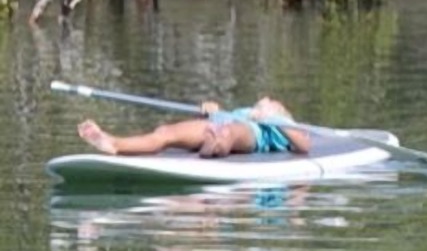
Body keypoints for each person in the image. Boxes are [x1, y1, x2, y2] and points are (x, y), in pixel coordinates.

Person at [77, 97, 311, 158]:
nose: (267, 100)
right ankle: (114, 143)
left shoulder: (279, 125)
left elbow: (304, 145)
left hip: (251, 134)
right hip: (220, 121)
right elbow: (222, 115)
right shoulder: (244, 111)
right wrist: (212, 109)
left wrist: (272, 118)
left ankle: (213, 146)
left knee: (227, 133)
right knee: (165, 132)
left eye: (273, 102)